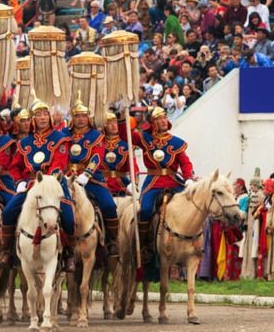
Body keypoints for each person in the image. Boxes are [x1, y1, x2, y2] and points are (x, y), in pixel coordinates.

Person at [0, 98, 76, 271]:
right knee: (8, 212)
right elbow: (14, 166)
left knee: (69, 217)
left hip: (54, 183)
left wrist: (46, 181)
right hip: (29, 184)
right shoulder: (24, 143)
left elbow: (59, 165)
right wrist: (19, 181)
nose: (42, 118)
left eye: (45, 114)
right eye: (38, 115)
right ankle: (7, 252)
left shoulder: (60, 139)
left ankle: (70, 254)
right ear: (33, 119)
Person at [117, 106, 195, 260]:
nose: (163, 121)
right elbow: (126, 136)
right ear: (153, 122)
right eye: (159, 119)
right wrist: (121, 118)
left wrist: (189, 179)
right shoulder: (145, 138)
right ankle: (144, 245)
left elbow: (185, 163)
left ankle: (191, 243)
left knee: (191, 205)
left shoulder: (176, 142)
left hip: (173, 181)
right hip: (154, 181)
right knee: (145, 209)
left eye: (164, 117)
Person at [64, 96, 119, 255]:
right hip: (67, 177)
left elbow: (97, 156)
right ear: (72, 118)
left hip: (91, 178)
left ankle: (112, 241)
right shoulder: (64, 134)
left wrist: (86, 174)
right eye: (77, 116)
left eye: (83, 116)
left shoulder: (96, 135)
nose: (81, 119)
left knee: (109, 205)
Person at [100, 112, 138, 197]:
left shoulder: (127, 143)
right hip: (102, 183)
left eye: (115, 122)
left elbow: (133, 166)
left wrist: (133, 182)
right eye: (109, 123)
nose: (114, 125)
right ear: (104, 126)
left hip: (122, 183)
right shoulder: (98, 143)